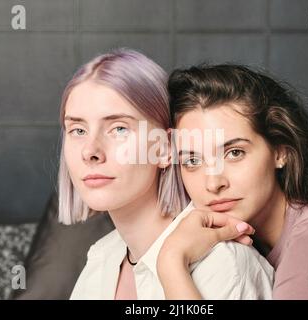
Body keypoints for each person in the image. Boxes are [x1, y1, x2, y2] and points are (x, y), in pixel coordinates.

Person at [157, 64, 308, 299]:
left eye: (235, 153)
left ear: (280, 152)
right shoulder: (249, 247)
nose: (213, 183)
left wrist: (171, 262)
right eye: (192, 160)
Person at [57, 49, 274, 299]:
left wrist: (171, 262)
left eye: (118, 128)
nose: (90, 152)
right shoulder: (101, 259)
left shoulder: (225, 265)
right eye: (78, 130)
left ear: (165, 148)